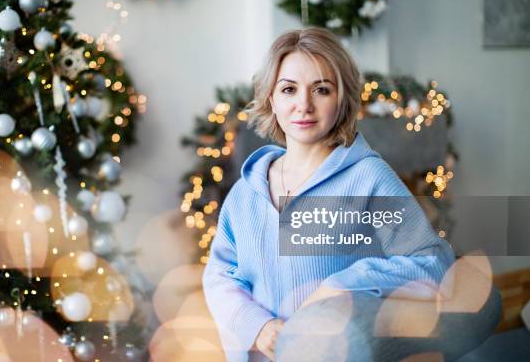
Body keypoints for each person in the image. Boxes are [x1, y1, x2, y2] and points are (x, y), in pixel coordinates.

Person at [202, 27, 484, 362]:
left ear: (342, 99)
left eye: (321, 89)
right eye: (289, 89)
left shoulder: (368, 178)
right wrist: (258, 326)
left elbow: (432, 262)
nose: (303, 105)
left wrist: (344, 284)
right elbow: (219, 275)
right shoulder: (246, 191)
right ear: (271, 100)